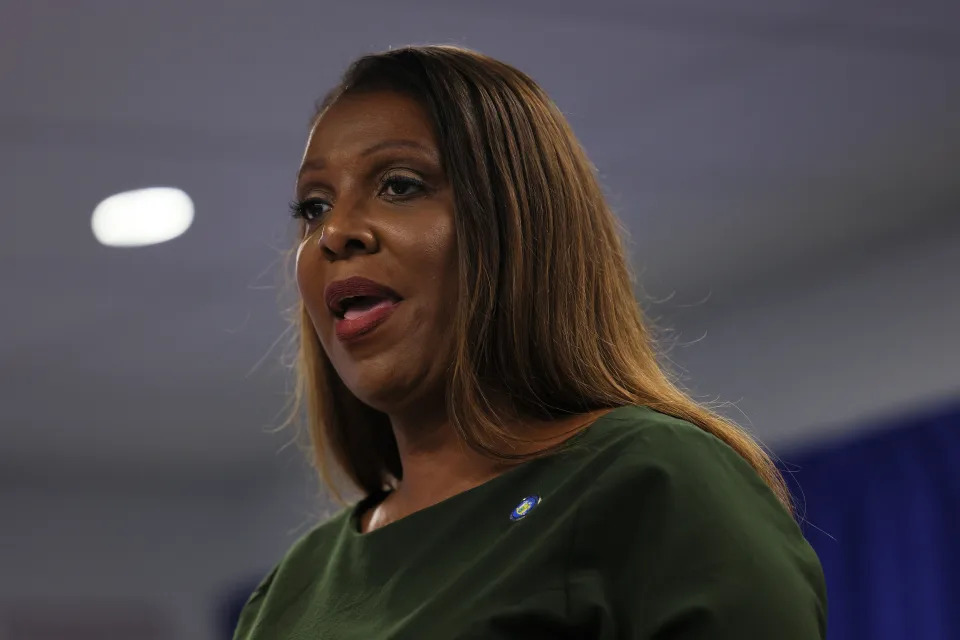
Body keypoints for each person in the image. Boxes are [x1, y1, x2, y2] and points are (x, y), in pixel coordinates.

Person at [234, 45, 826, 639]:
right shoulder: (291, 592)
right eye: (314, 207)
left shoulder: (648, 479)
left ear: (516, 223)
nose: (335, 233)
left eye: (399, 185)